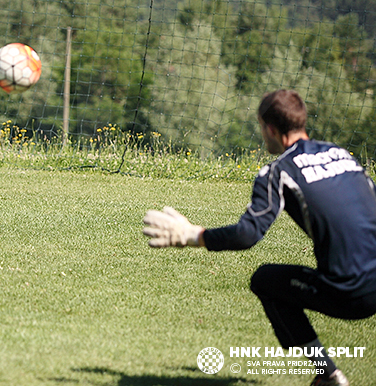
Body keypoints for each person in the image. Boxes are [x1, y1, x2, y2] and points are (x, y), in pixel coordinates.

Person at [143, 89, 376, 386]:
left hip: (350, 293)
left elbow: (247, 234)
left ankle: (327, 374)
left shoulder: (278, 171)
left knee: (266, 281)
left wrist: (193, 235)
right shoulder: (341, 154)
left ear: (269, 129)